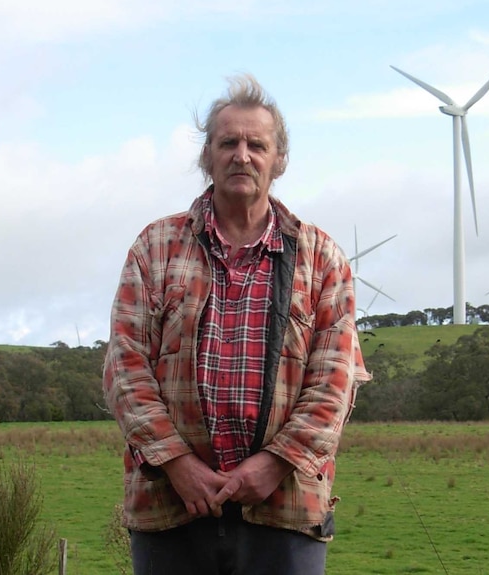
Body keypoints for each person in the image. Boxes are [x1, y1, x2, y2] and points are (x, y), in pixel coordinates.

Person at [103, 73, 371, 575]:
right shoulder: (154, 247)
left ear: (279, 159)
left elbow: (334, 381)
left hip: (286, 509)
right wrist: (179, 465)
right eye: (228, 142)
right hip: (170, 507)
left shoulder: (321, 257)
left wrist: (273, 464)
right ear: (207, 155)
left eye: (256, 144)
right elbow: (125, 367)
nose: (241, 155)